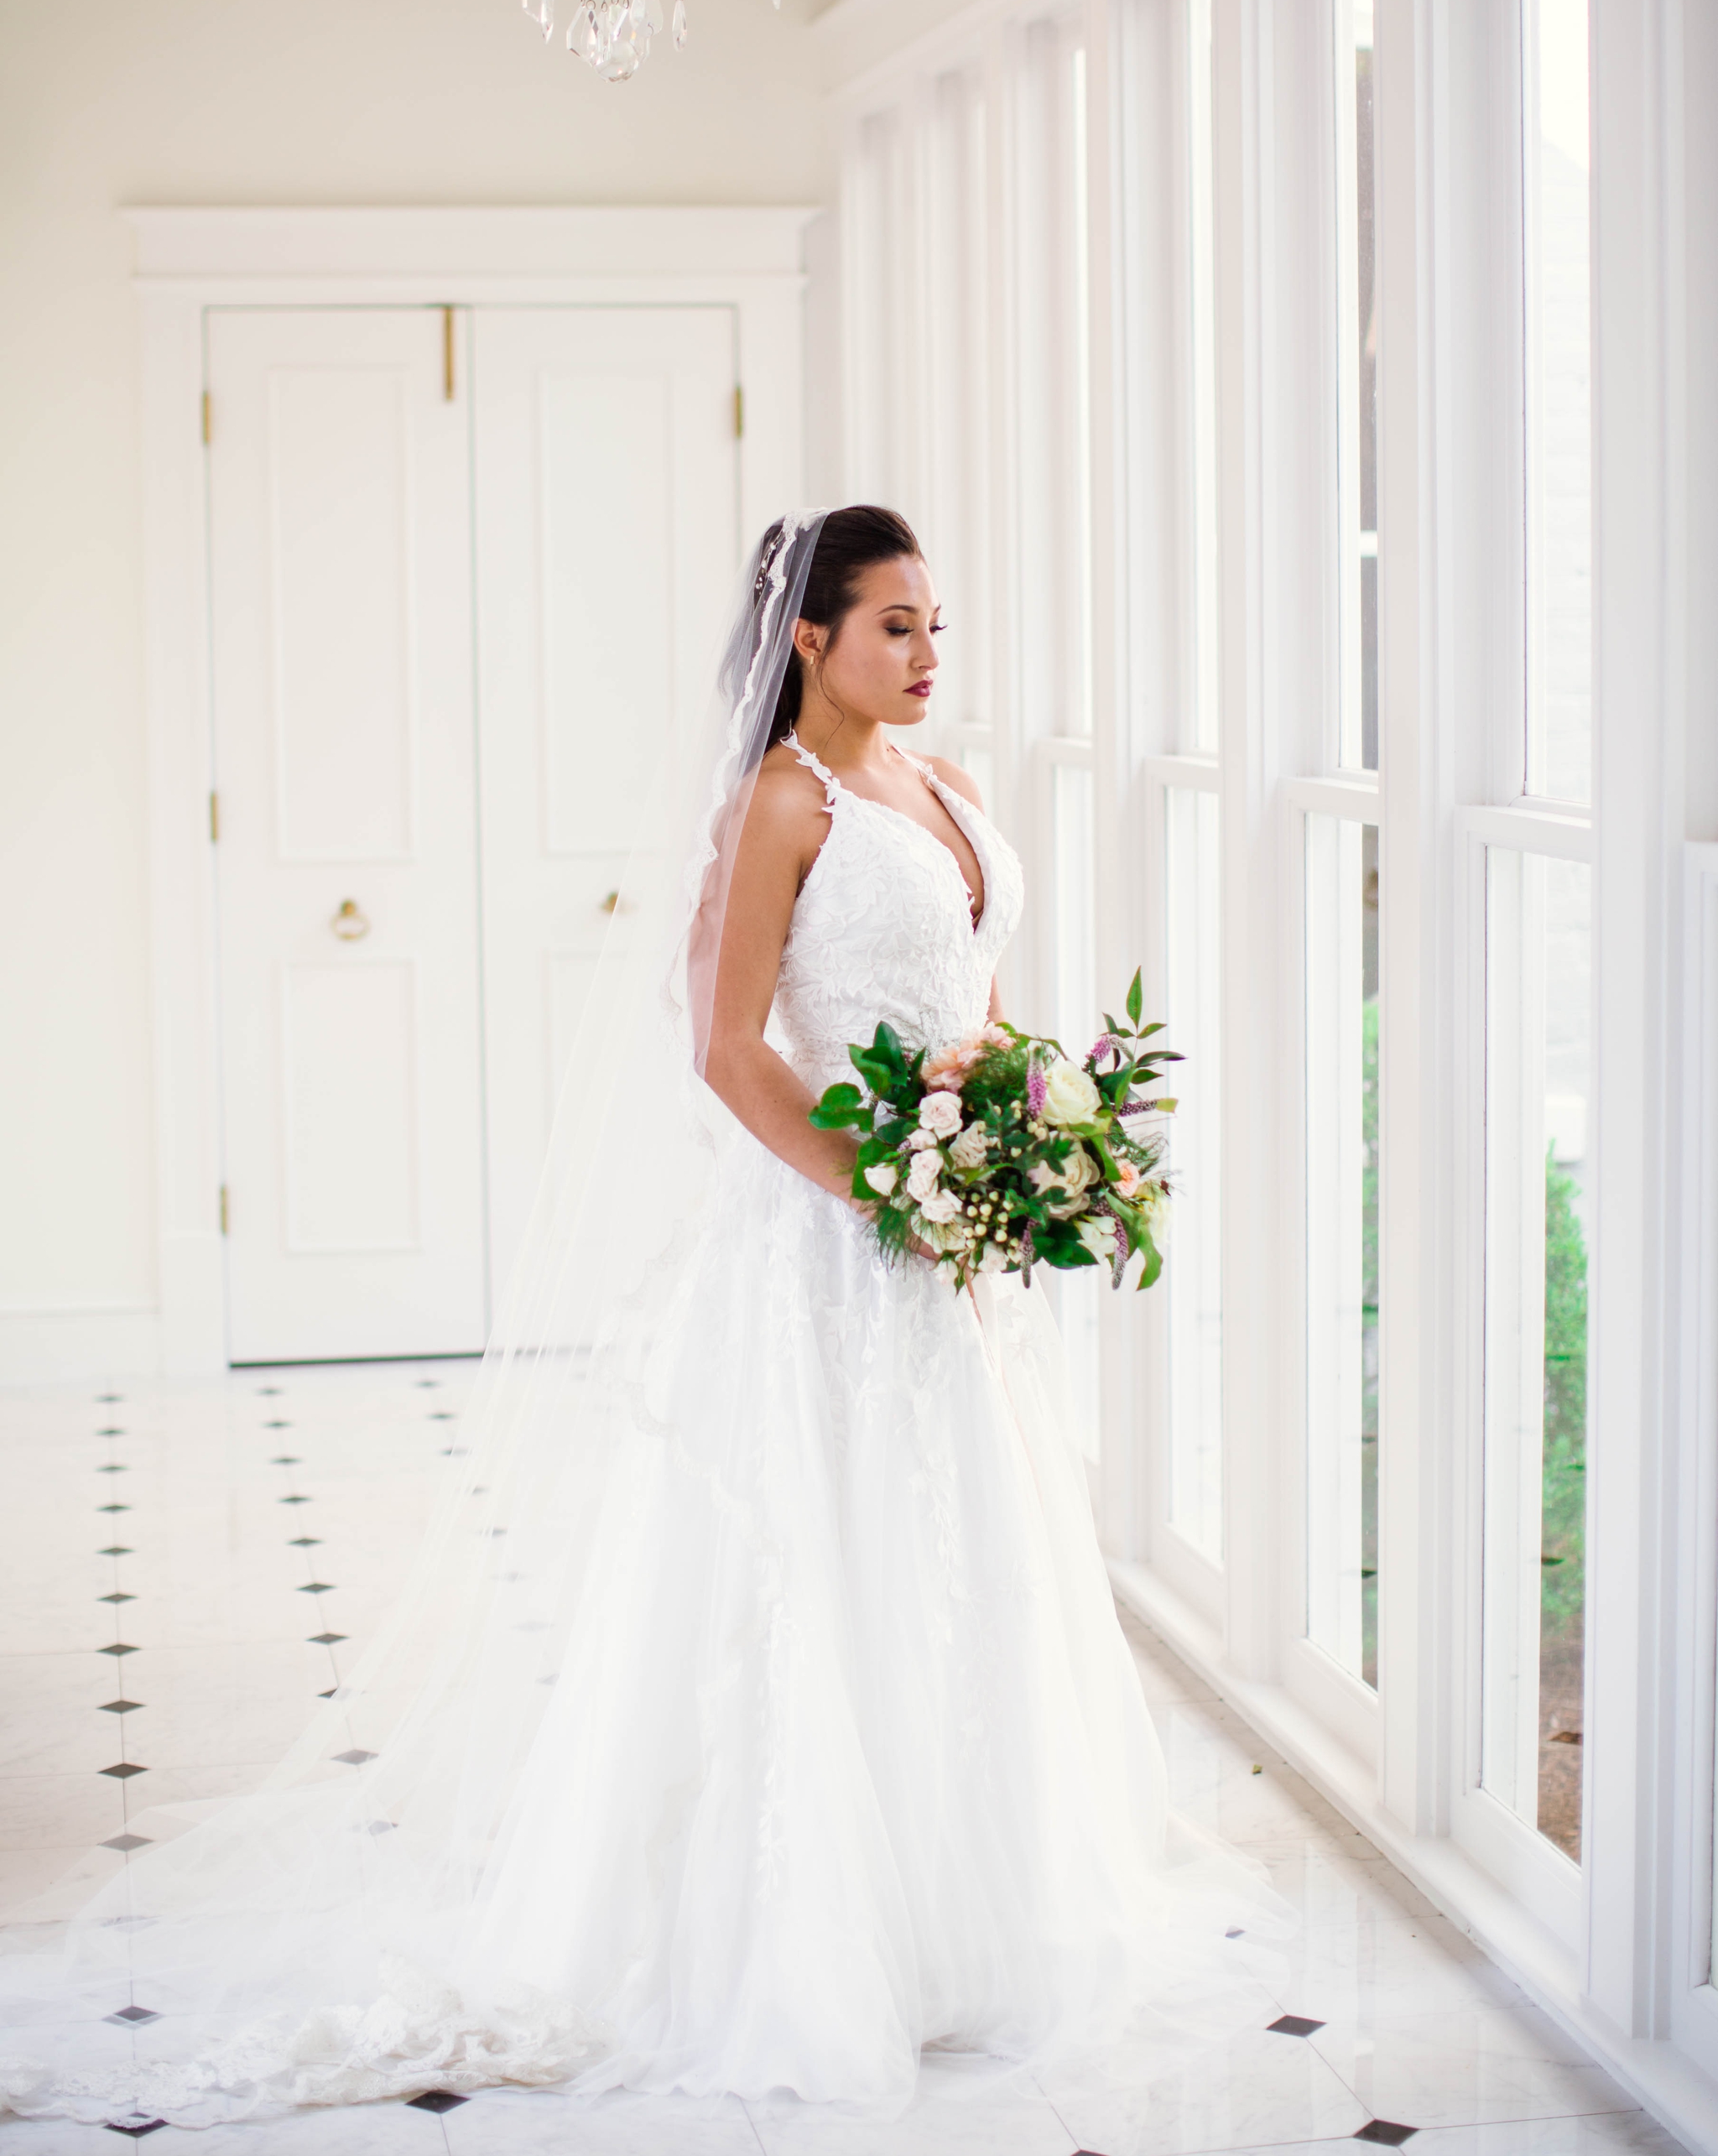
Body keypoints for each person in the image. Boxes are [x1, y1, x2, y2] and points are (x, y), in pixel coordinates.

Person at [1, 506, 1276, 2131]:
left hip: (951, 1250)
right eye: (895, 624)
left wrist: (1023, 1131)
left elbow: (971, 996)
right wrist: (883, 1190)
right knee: (814, 1569)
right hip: (828, 1247)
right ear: (805, 638)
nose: (929, 652)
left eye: (937, 622)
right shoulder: (781, 801)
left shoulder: (945, 784)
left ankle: (975, 1912)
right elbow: (730, 1045)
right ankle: (805, 1938)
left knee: (961, 1548)